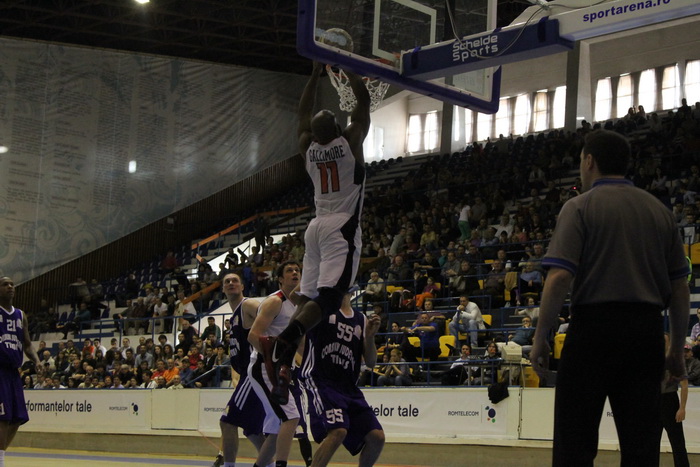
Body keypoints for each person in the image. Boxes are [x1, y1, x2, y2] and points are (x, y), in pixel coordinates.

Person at [530, 130, 690, 467]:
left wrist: (542, 336)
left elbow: (559, 277)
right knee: (641, 446)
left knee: (574, 443)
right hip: (645, 332)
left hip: (593, 331)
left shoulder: (579, 207)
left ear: (589, 161)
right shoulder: (659, 211)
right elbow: (679, 288)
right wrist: (675, 349)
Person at [262, 60, 371, 405]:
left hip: (315, 226)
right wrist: (350, 69)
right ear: (339, 127)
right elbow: (364, 102)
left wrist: (313, 74)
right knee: (331, 297)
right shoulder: (351, 141)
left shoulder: (307, 146)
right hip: (341, 224)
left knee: (308, 299)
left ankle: (283, 362)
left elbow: (302, 113)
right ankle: (288, 336)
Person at [299, 292, 385, 466]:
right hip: (321, 380)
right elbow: (298, 327)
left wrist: (370, 337)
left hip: (348, 387)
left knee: (377, 437)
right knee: (338, 431)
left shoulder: (361, 319)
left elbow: (370, 362)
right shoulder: (320, 308)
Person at [248, 261, 303, 467]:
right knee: (291, 417)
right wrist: (272, 362)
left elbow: (301, 342)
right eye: (289, 271)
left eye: (297, 270)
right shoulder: (275, 302)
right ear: (280, 279)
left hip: (283, 368)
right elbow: (253, 335)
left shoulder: (300, 305)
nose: (295, 273)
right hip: (263, 366)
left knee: (276, 428)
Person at [0, 276, 42, 467]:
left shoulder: (20, 315)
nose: (10, 287)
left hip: (14, 373)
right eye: (5, 284)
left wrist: (37, 360)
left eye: (12, 284)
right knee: (3, 418)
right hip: (0, 371)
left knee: (17, 418)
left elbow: (27, 344)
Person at [657, 335, 690, 467]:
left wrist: (682, 408)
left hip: (669, 401)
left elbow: (684, 385)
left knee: (677, 441)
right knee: (651, 441)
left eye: (664, 341)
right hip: (654, 401)